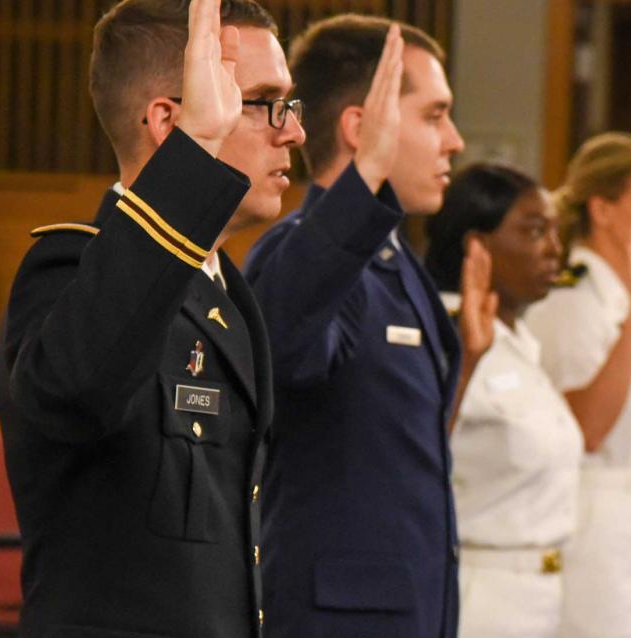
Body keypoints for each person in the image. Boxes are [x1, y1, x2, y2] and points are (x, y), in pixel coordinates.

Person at [0, 1, 305, 636]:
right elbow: (76, 391)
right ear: (170, 122)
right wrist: (193, 158)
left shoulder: (228, 296)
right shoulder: (69, 270)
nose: (293, 131)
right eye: (264, 102)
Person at [243, 15, 493, 638]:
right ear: (362, 127)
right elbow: (285, 346)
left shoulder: (393, 255)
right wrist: (361, 183)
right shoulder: (302, 251)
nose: (455, 140)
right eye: (434, 116)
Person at [525, 132, 631, 638]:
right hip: (593, 517)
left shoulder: (623, 294)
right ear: (603, 209)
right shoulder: (575, 298)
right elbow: (587, 427)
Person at [424, 163, 583, 638]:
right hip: (479, 588)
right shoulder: (446, 338)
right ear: (478, 245)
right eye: (536, 232)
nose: (556, 249)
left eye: (556, 231)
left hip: (541, 592)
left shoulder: (519, 343)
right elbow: (419, 451)